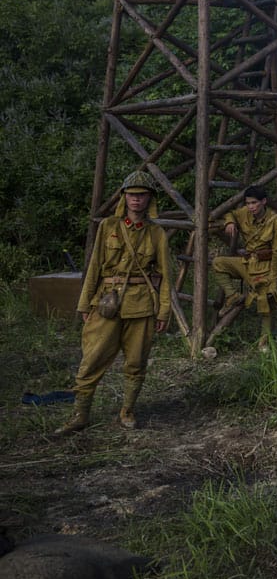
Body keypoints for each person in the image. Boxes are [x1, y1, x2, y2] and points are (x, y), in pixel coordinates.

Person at [55, 170, 172, 435]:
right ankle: (80, 415)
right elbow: (94, 266)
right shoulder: (108, 227)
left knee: (136, 362)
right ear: (124, 197)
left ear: (149, 199)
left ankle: (127, 410)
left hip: (141, 307)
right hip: (107, 305)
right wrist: (84, 305)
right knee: (91, 360)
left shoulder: (156, 234)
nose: (136, 200)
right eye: (131, 195)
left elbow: (166, 276)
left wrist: (164, 310)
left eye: (141, 195)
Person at [212, 185, 277, 350]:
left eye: (254, 203)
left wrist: (274, 279)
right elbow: (230, 212)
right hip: (246, 264)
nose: (251, 207)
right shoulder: (244, 212)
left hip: (265, 266)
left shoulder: (276, 222)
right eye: (248, 203)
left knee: (265, 301)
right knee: (218, 263)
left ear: (264, 202)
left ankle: (264, 342)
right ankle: (233, 297)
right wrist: (230, 221)